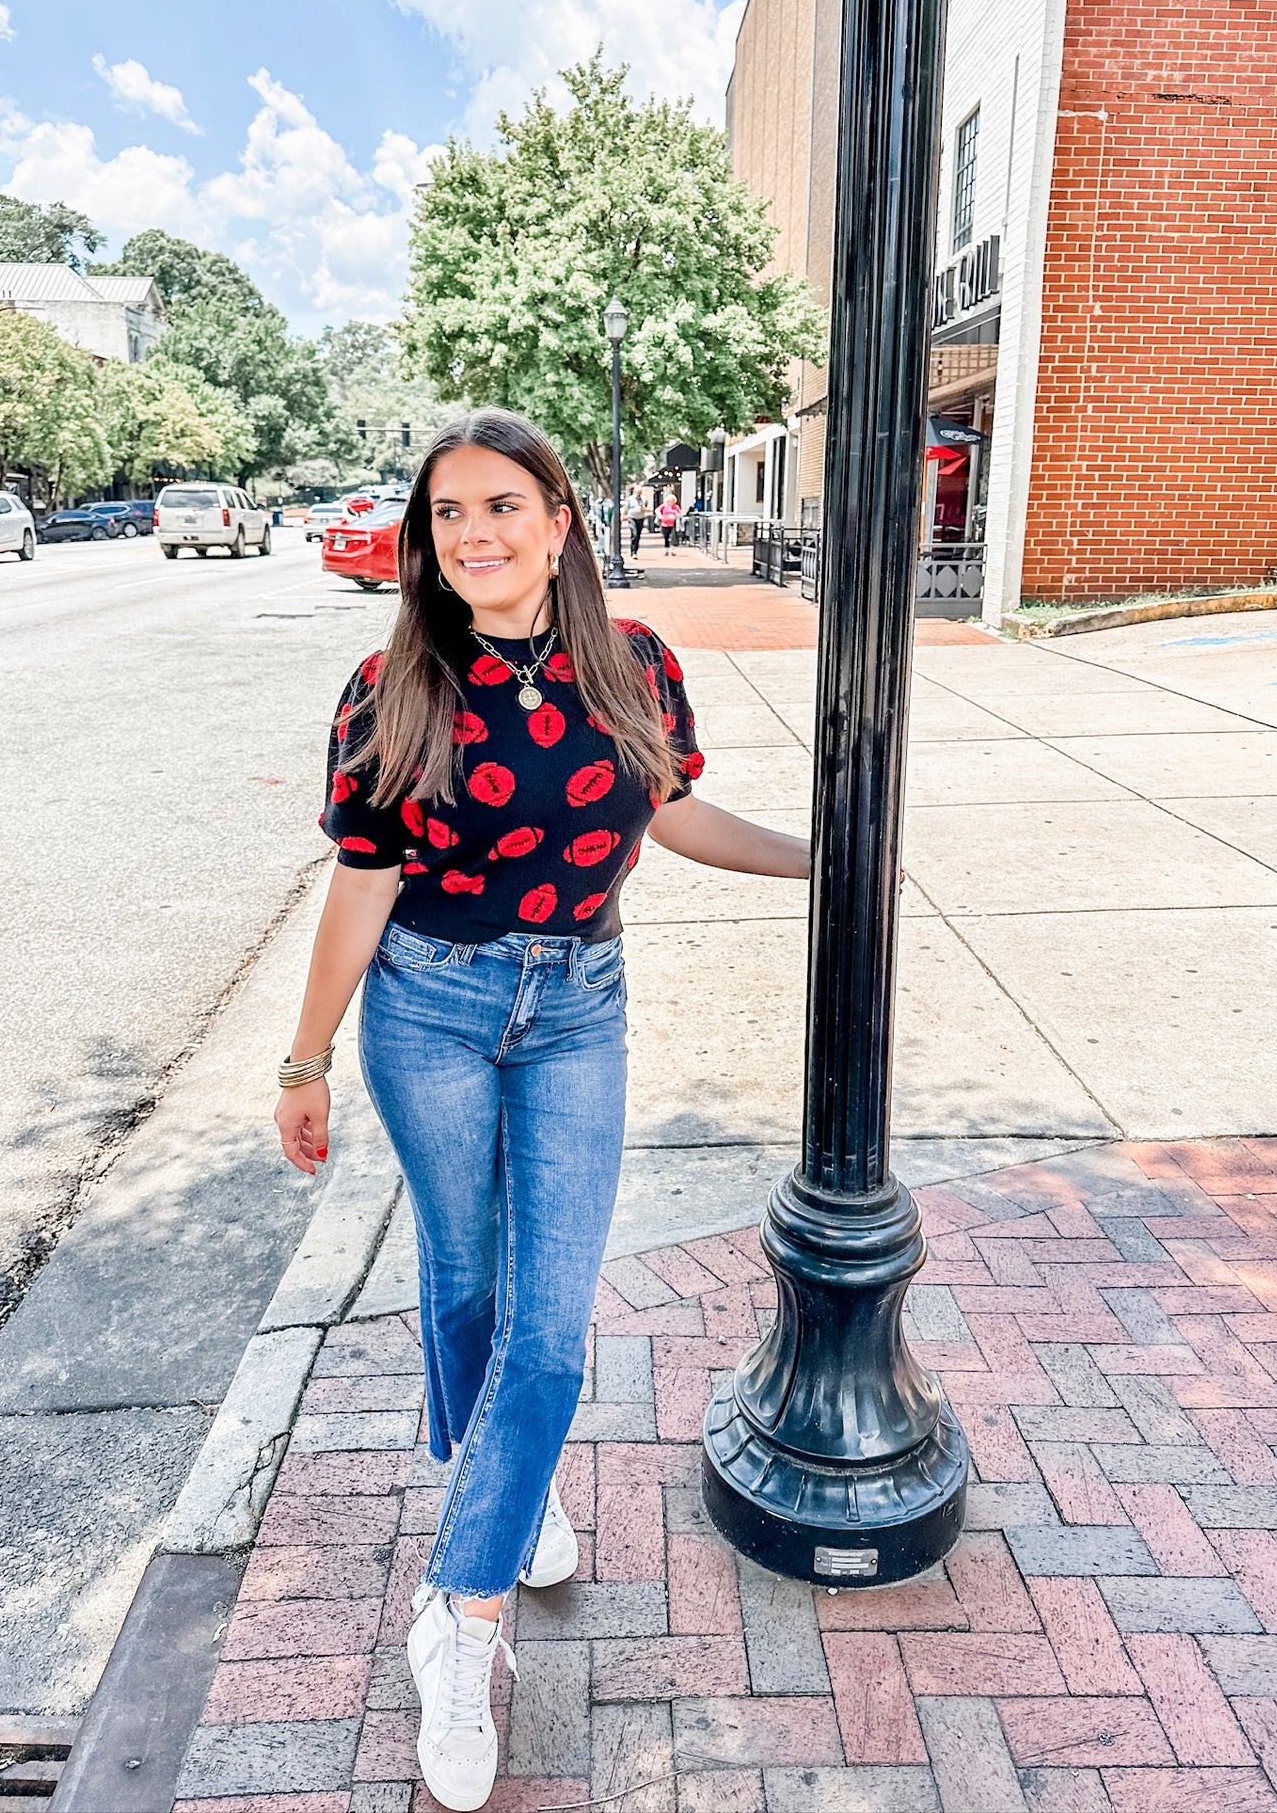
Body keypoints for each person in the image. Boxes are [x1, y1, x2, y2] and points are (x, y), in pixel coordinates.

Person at [274, 408, 809, 1813]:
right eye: (448, 513)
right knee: (460, 1276)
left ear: (561, 519)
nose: (476, 534)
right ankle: (507, 1504)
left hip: (578, 1006)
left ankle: (461, 1610)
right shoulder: (390, 683)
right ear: (426, 538)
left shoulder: (636, 665)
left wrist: (827, 860)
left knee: (549, 1319)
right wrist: (304, 1054)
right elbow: (362, 879)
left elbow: (671, 814)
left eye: (503, 505)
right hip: (430, 1008)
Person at [657, 489, 681, 554]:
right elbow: (657, 510)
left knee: (673, 537)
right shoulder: (664, 506)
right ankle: (666, 550)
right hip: (665, 524)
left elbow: (679, 513)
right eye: (670, 500)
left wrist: (675, 515)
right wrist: (660, 516)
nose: (671, 501)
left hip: (673, 524)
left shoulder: (676, 507)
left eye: (673, 500)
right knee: (666, 537)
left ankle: (673, 550)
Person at [626, 486, 646, 558]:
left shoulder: (644, 498)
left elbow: (645, 507)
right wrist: (622, 516)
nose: (639, 494)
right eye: (638, 492)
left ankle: (635, 551)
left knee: (638, 535)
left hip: (640, 518)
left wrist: (644, 509)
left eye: (640, 492)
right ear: (634, 491)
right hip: (632, 518)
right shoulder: (630, 499)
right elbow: (626, 508)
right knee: (634, 534)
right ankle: (633, 551)